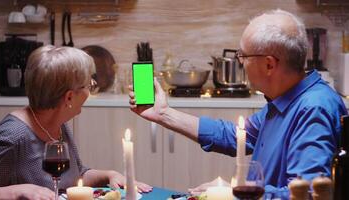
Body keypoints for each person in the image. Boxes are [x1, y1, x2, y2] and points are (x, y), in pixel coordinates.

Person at [129, 9, 348, 195]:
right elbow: (237, 136)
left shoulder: (313, 108)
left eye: (243, 56)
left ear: (269, 65)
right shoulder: (286, 98)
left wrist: (232, 191)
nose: (241, 63)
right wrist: (164, 114)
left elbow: (307, 194)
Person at [0, 45, 152, 200]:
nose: (90, 91)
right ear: (69, 97)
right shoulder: (13, 136)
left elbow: (76, 176)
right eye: (89, 85)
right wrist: (14, 192)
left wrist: (109, 175)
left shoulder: (58, 123)